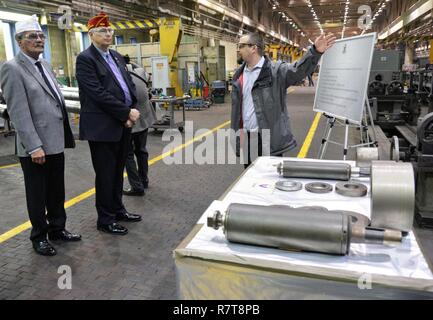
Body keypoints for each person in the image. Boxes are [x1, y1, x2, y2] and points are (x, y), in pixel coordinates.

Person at [0, 15, 81, 256]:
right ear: (19, 41)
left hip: (54, 141)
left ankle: (58, 228)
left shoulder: (43, 64)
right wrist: (34, 146)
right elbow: (19, 112)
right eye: (32, 37)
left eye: (41, 36)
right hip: (34, 146)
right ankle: (39, 236)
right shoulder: (12, 68)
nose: (39, 40)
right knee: (38, 194)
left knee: (56, 190)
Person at [75, 12, 142, 235]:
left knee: (117, 172)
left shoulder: (115, 56)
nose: (108, 33)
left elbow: (128, 84)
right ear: (91, 34)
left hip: (122, 124)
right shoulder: (85, 59)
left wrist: (132, 108)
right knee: (105, 174)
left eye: (110, 30)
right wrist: (125, 113)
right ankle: (105, 219)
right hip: (103, 127)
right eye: (103, 30)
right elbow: (96, 93)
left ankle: (118, 209)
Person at [232, 32, 336, 168]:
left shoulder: (275, 71)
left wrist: (315, 52)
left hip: (269, 139)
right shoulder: (239, 75)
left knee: (269, 182)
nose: (238, 49)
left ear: (253, 48)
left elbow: (298, 70)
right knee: (249, 179)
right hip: (247, 138)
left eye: (241, 46)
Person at [123, 58, 157, 196]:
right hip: (144, 118)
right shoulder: (140, 71)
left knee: (127, 154)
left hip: (130, 118)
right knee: (141, 150)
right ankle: (144, 180)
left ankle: (136, 186)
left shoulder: (121, 76)